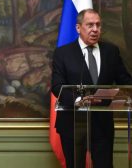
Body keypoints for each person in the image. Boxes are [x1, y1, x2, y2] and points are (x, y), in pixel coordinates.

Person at [51, 9, 132, 168]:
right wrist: (80, 101)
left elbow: (124, 80)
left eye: (98, 25)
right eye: (90, 25)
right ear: (78, 28)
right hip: (72, 124)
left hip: (102, 124)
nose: (95, 29)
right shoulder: (63, 53)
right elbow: (57, 86)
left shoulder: (111, 51)